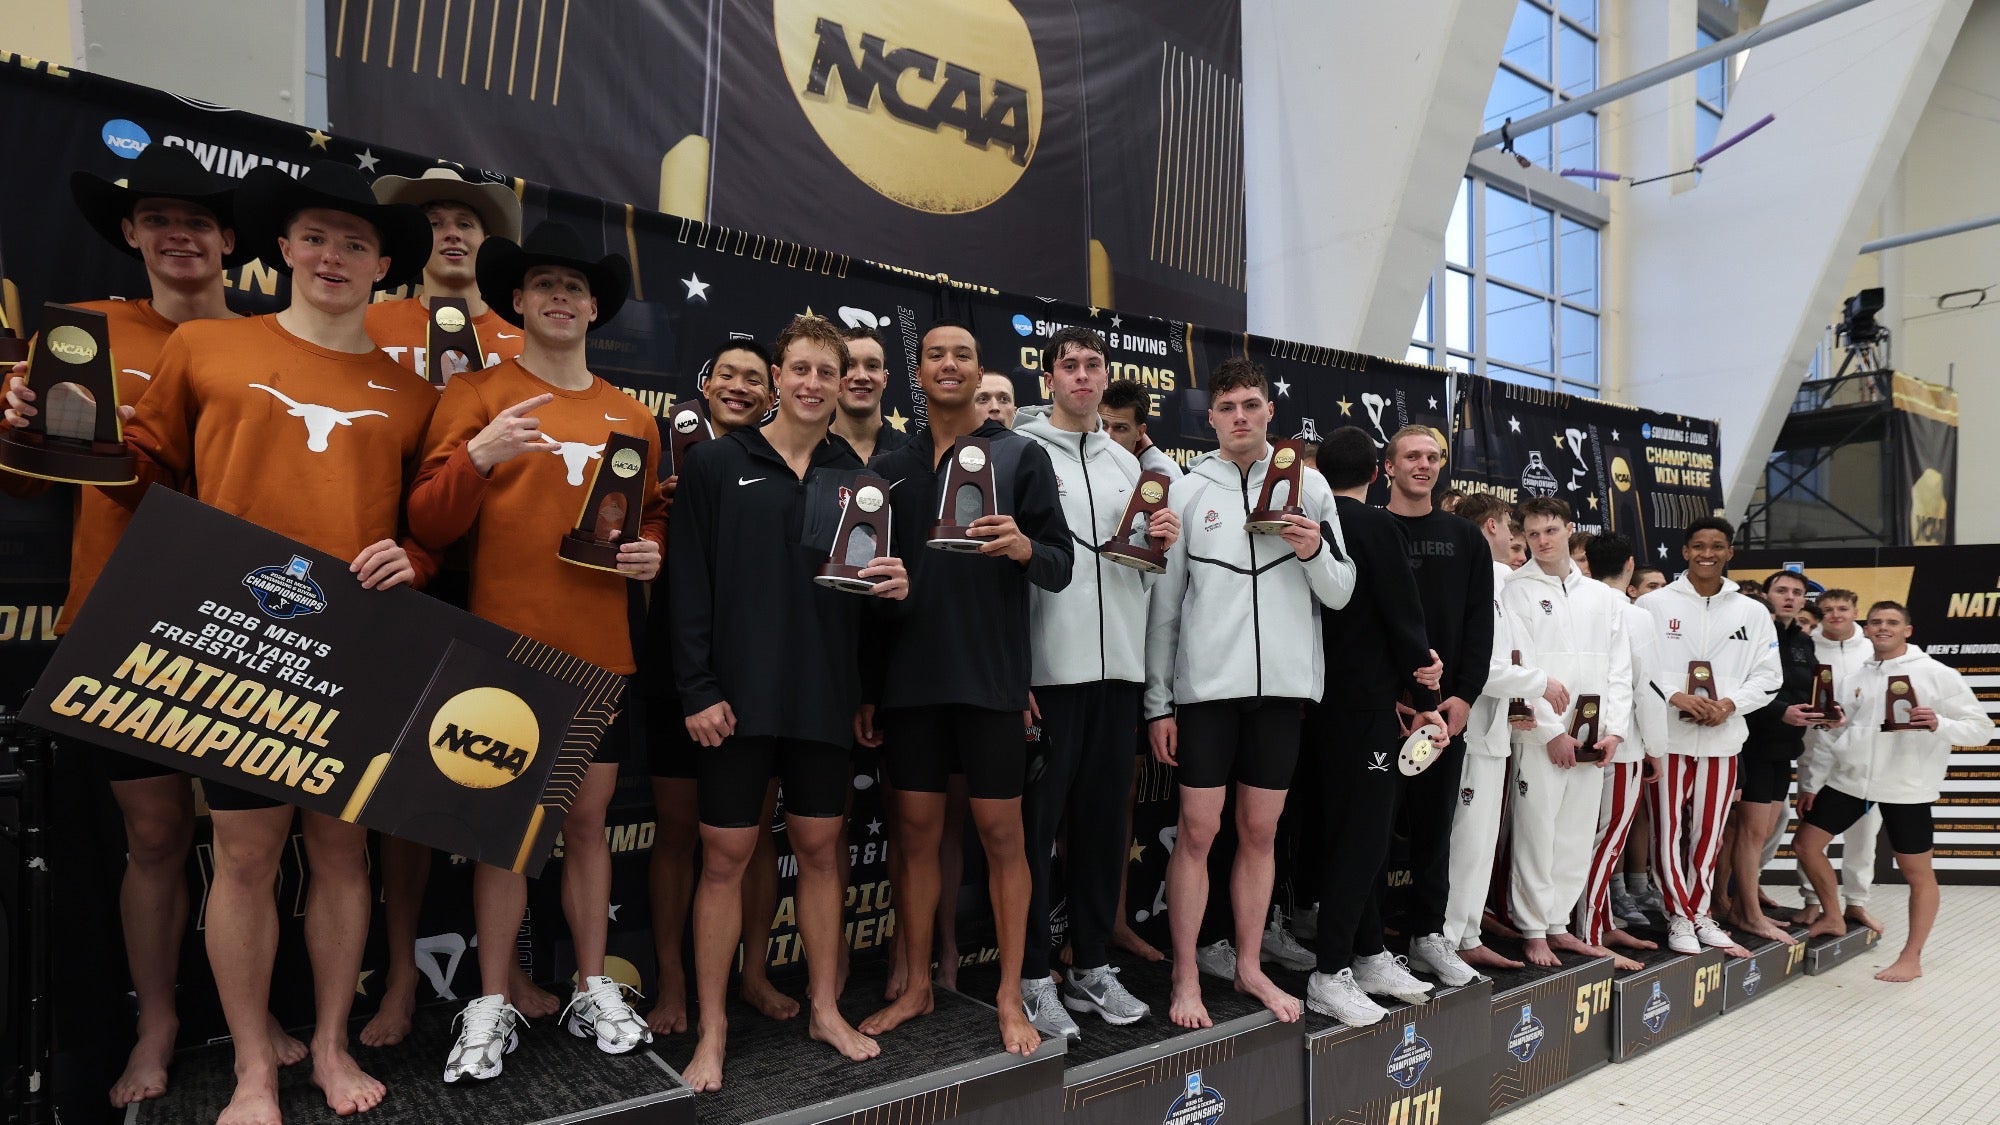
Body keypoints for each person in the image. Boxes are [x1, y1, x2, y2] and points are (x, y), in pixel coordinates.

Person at [95, 161, 433, 1123]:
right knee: (242, 858)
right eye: (316, 237)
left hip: (354, 648)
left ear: (382, 268)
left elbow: (430, 532)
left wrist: (413, 557)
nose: (333, 256)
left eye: (356, 244)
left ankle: (328, 1044)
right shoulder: (205, 345)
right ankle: (252, 1066)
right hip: (235, 643)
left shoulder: (409, 394)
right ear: (282, 247)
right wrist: (69, 427)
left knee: (342, 854)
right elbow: (139, 476)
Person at [1, 144, 309, 1109]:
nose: (181, 235)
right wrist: (17, 422)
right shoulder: (82, 332)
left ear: (231, 241)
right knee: (154, 833)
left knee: (257, 845)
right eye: (160, 219)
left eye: (200, 221)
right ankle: (159, 1020)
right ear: (131, 232)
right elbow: (26, 483)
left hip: (244, 630)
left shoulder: (272, 340)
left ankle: (256, 1020)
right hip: (118, 622)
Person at [406, 221, 665, 1082]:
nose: (560, 296)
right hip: (503, 655)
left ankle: (592, 985)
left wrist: (651, 551)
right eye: (544, 283)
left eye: (574, 286)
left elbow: (649, 519)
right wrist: (479, 457)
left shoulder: (632, 414)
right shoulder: (478, 392)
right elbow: (429, 522)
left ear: (594, 308)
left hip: (599, 653)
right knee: (503, 834)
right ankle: (490, 1001)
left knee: (587, 825)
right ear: (516, 300)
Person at [671, 315, 909, 1089]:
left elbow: (864, 603)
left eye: (825, 372)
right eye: (799, 368)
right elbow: (687, 584)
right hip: (734, 701)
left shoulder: (860, 479)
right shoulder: (717, 462)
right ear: (778, 376)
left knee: (819, 849)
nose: (812, 383)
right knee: (723, 858)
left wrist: (893, 599)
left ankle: (825, 1007)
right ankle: (711, 1027)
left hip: (821, 698)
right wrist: (698, 688)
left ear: (844, 384)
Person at [355, 165, 545, 1050]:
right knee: (400, 792)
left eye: (467, 220)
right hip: (395, 564)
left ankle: (512, 972)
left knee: (512, 778)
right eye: (434, 220)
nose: (453, 233)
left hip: (496, 573)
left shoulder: (519, 335)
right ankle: (399, 974)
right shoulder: (372, 321)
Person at [859, 320, 1069, 1056]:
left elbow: (1060, 563)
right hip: (911, 681)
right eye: (935, 355)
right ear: (918, 373)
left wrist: (1024, 547)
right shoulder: (890, 465)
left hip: (989, 680)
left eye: (963, 355)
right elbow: (868, 579)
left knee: (1003, 839)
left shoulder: (1021, 455)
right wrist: (869, 687)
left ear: (981, 373)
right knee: (916, 837)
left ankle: (1009, 996)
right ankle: (917, 985)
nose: (948, 364)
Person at [1146, 358, 1357, 1029]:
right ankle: (1185, 974)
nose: (1240, 416)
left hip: (1280, 694)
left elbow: (1340, 592)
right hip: (1206, 693)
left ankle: (1248, 964)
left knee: (1260, 833)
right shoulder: (1186, 490)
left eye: (1251, 405)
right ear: (1209, 417)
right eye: (1228, 406)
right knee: (1198, 832)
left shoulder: (1310, 486)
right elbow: (1165, 607)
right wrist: (1159, 702)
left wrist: (1312, 550)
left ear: (1271, 411)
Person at [1012, 327, 1177, 1037]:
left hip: (1119, 674)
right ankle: (1031, 975)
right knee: (1036, 831)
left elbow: (1144, 575)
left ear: (1107, 377)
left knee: (1106, 828)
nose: (1082, 375)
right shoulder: (1020, 452)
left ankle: (1091, 966)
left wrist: (1161, 543)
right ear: (1049, 377)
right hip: (1050, 673)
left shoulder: (1127, 465)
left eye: (1093, 365)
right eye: (1069, 365)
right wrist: (1016, 671)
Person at [638, 338, 781, 1035]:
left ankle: (753, 974)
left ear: (771, 393)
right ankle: (672, 985)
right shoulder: (663, 465)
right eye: (728, 374)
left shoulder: (786, 464)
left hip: (756, 676)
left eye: (753, 378)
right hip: (677, 670)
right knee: (675, 831)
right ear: (706, 384)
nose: (739, 387)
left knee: (754, 835)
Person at [1304, 426, 1444, 1025]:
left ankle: (1365, 954)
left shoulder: (1302, 520)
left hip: (1308, 699)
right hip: (1361, 705)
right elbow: (1402, 613)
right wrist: (1426, 692)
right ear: (1377, 472)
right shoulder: (1374, 526)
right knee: (1363, 840)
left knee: (1342, 833)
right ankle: (1330, 970)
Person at [1794, 601, 1992, 981]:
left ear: (1907, 631)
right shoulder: (1855, 677)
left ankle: (1911, 957)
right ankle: (1833, 916)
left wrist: (1939, 723)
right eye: (1876, 622)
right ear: (1866, 629)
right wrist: (1826, 750)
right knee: (1805, 844)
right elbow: (1839, 733)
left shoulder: (1938, 674)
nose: (1882, 627)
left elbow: (1981, 730)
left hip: (1907, 787)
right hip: (1851, 780)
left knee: (1918, 874)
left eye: (1891, 622)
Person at [1634, 517, 1780, 955]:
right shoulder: (1653, 604)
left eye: (1717, 546)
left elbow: (1768, 677)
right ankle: (1679, 916)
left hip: (1722, 743)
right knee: (1667, 832)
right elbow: (1638, 666)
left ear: (1730, 552)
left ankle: (1700, 913)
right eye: (1698, 546)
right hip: (1668, 742)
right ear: (1685, 552)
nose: (1707, 554)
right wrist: (1675, 696)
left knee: (1709, 835)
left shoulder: (1752, 612)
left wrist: (1730, 704)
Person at [1380, 426, 1494, 987]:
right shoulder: (1371, 529)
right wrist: (1386, 696)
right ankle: (1366, 945)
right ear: (1389, 467)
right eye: (1412, 456)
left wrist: (1465, 697)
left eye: (1432, 457)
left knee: (1434, 830)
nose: (1423, 465)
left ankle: (1428, 935)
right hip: (1382, 710)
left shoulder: (1466, 538)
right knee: (1369, 833)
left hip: (1445, 715)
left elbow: (1480, 624)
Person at [1502, 499, 1630, 968]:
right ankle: (1534, 929)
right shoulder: (1515, 590)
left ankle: (1558, 924)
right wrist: (1551, 732)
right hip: (1541, 735)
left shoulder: (1603, 597)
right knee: (1537, 830)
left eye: (1551, 530)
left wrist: (1615, 731)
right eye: (1533, 533)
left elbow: (1620, 668)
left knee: (1576, 833)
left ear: (1570, 529)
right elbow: (1519, 664)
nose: (1542, 541)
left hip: (1593, 736)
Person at [1435, 493, 1548, 974]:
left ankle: (1467, 934)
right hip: (1471, 728)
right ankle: (1445, 938)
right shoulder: (1483, 576)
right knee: (1465, 840)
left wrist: (1523, 697)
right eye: (1510, 526)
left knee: (1481, 842)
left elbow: (1506, 659)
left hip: (1492, 726)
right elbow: (1481, 663)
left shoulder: (1501, 581)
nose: (1517, 540)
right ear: (1490, 527)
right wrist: (1541, 683)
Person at [1573, 534, 1664, 970]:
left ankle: (1601, 922)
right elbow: (1646, 687)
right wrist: (1656, 748)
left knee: (1582, 838)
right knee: (1606, 842)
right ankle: (1589, 932)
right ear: (1630, 565)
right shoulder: (1634, 614)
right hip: (1621, 744)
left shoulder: (1578, 604)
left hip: (1577, 735)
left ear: (1588, 563)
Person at [364, 167, 526, 380]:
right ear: (417, 241)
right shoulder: (366, 324)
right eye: (435, 224)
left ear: (487, 244)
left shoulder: (526, 340)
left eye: (464, 224)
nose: (452, 234)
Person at [1724, 569, 1815, 945]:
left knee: (1758, 832)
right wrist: (1780, 712)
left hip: (1785, 748)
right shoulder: (1752, 634)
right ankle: (1748, 913)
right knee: (1749, 832)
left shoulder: (1803, 642)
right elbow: (1740, 691)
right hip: (1754, 745)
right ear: (1767, 594)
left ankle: (1735, 903)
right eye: (1781, 590)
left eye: (1797, 592)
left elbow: (1804, 690)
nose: (1790, 597)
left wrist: (1823, 710)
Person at [1794, 588, 1883, 933]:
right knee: (1811, 832)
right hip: (1816, 750)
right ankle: (1812, 901)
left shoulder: (1872, 649)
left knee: (1864, 835)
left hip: (1865, 758)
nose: (1835, 615)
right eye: (1828, 609)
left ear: (1855, 611)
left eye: (1842, 608)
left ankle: (1857, 902)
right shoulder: (1806, 647)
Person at [830, 324, 909, 462]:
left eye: (872, 366)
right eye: (849, 365)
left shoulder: (911, 452)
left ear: (885, 379)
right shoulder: (811, 452)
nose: (861, 376)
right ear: (833, 376)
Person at [1099, 377, 1181, 479]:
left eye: (1120, 428)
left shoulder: (1162, 473)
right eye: (1103, 425)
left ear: (1140, 432)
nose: (1108, 435)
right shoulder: (1081, 459)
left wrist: (1150, 456)